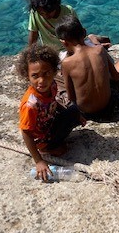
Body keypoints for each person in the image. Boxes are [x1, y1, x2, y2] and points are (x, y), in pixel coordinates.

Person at [17, 44, 85, 182]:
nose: (41, 81)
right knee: (62, 150)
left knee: (74, 109)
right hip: (41, 138)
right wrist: (39, 161)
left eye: (46, 73)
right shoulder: (31, 105)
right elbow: (26, 132)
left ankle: (54, 141)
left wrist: (74, 115)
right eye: (35, 76)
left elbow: (54, 103)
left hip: (49, 122)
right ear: (27, 76)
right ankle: (47, 149)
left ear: (54, 72)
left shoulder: (53, 85)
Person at [56, 15, 119, 122]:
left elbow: (71, 97)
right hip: (109, 104)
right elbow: (116, 77)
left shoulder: (67, 63)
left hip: (86, 112)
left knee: (56, 77)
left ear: (63, 42)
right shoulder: (100, 49)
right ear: (84, 32)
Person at [26, 0, 110, 52]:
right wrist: (30, 52)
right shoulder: (35, 13)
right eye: (42, 13)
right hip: (53, 50)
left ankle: (93, 39)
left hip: (73, 46)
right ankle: (93, 38)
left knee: (94, 52)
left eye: (49, 12)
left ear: (56, 5)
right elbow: (33, 34)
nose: (46, 16)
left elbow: (77, 34)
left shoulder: (68, 11)